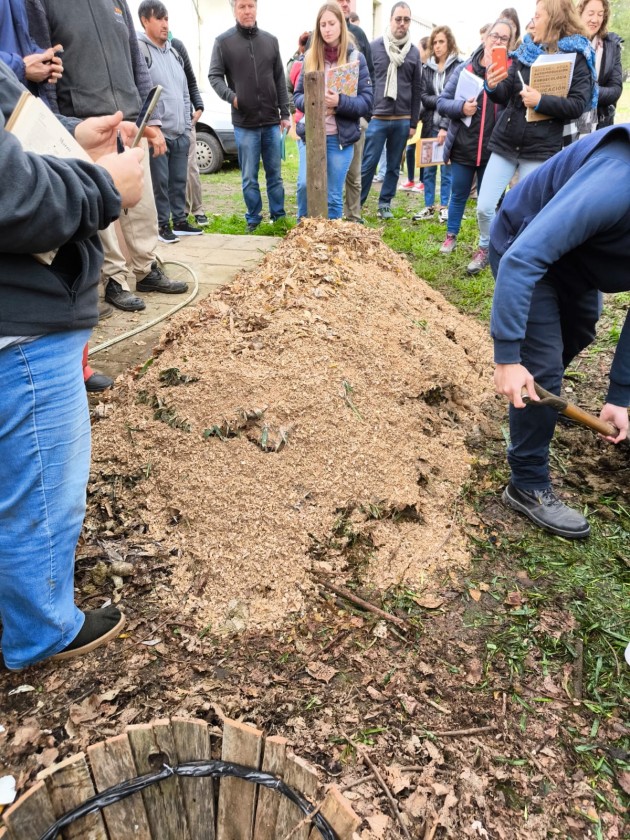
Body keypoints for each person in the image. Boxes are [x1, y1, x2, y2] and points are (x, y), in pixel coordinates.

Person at [0, 61, 145, 670]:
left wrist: (68, 138)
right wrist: (101, 186)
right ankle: (41, 632)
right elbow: (9, 194)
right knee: (39, 497)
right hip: (20, 327)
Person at [490, 124, 630, 539]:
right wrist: (508, 358)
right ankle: (526, 483)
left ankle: (535, 400)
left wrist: (620, 397)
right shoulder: (617, 181)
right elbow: (521, 261)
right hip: (525, 243)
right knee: (542, 364)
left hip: (578, 260)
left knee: (581, 330)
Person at [28, 0, 189, 310]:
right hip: (83, 119)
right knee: (101, 202)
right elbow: (43, 58)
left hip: (129, 117)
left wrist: (149, 118)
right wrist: (56, 122)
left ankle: (146, 268)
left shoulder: (116, 2)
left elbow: (135, 60)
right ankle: (114, 279)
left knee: (141, 200)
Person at [468, 0, 597, 276]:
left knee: (527, 216)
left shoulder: (578, 55)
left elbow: (578, 104)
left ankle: (513, 261)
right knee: (485, 207)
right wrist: (492, 86)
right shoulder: (526, 50)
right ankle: (486, 247)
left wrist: (541, 101)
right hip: (506, 141)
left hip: (540, 149)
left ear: (553, 18)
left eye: (537, 16)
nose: (532, 21)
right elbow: (506, 93)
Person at [436, 18, 516, 255]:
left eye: (504, 38)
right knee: (458, 194)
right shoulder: (465, 68)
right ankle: (451, 236)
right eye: (495, 36)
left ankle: (488, 246)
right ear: (485, 37)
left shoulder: (511, 70)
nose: (497, 41)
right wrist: (462, 108)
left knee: (490, 203)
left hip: (495, 151)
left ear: (510, 43)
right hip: (464, 146)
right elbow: (442, 103)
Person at [209, 0, 291, 232]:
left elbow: (279, 79)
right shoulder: (223, 42)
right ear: (234, 9)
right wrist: (233, 97)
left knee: (275, 175)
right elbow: (214, 76)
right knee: (249, 177)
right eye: (242, 6)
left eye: (250, 6)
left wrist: (284, 113)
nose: (247, 11)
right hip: (245, 124)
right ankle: (253, 219)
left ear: (256, 7)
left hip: (271, 121)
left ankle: (279, 217)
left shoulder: (270, 41)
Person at [294, 3, 372, 220]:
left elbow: (366, 103)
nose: (327, 29)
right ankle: (302, 234)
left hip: (340, 138)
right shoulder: (310, 57)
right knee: (304, 186)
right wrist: (314, 101)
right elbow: (297, 96)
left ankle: (330, 241)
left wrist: (339, 101)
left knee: (333, 196)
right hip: (311, 135)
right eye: (323, 24)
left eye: (331, 23)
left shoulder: (355, 58)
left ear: (341, 25)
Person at [138, 1, 202, 242]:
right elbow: (142, 92)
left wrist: (187, 126)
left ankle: (181, 221)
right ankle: (163, 225)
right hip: (158, 133)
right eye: (160, 19)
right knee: (160, 183)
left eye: (167, 19)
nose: (166, 24)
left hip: (180, 131)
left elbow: (185, 91)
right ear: (145, 21)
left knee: (178, 181)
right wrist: (152, 127)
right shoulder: (141, 51)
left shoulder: (175, 53)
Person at [359, 2, 422, 220]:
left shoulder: (414, 53)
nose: (402, 24)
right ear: (391, 20)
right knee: (368, 164)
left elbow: (417, 89)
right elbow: (365, 83)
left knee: (394, 166)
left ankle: (385, 203)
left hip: (403, 119)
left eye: (406, 20)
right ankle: (357, 203)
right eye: (398, 19)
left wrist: (413, 122)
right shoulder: (374, 47)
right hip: (377, 117)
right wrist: (367, 114)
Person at [413, 25, 462, 222]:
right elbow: (424, 97)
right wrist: (442, 100)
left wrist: (443, 112)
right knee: (428, 168)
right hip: (429, 123)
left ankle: (444, 207)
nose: (438, 46)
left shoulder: (458, 66)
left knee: (447, 167)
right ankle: (428, 206)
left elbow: (457, 98)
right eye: (435, 42)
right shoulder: (428, 68)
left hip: (450, 125)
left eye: (441, 41)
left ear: (449, 43)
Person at [335, 0, 374, 224]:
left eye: (348, 0)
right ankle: (330, 217)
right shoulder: (319, 36)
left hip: (355, 115)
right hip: (330, 118)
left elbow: (370, 76)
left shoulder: (358, 34)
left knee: (354, 173)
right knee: (331, 173)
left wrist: (366, 115)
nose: (344, 4)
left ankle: (354, 217)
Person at [170, 34, 208, 226]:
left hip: (185, 119)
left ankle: (198, 209)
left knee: (190, 166)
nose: (164, 24)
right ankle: (180, 212)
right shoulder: (144, 47)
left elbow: (191, 80)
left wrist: (199, 106)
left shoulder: (176, 45)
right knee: (174, 172)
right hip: (164, 122)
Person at [576, 0, 623, 131]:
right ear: (579, 14)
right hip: (569, 123)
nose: (595, 20)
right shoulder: (566, 42)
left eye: (600, 14)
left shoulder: (612, 46)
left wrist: (587, 92)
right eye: (590, 13)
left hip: (601, 124)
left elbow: (615, 90)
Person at [401, 35, 429, 192]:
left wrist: (419, 113)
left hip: (424, 117)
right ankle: (411, 179)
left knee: (424, 150)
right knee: (411, 149)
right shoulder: (420, 68)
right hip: (416, 117)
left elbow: (423, 94)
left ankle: (423, 181)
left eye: (419, 48)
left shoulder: (427, 69)